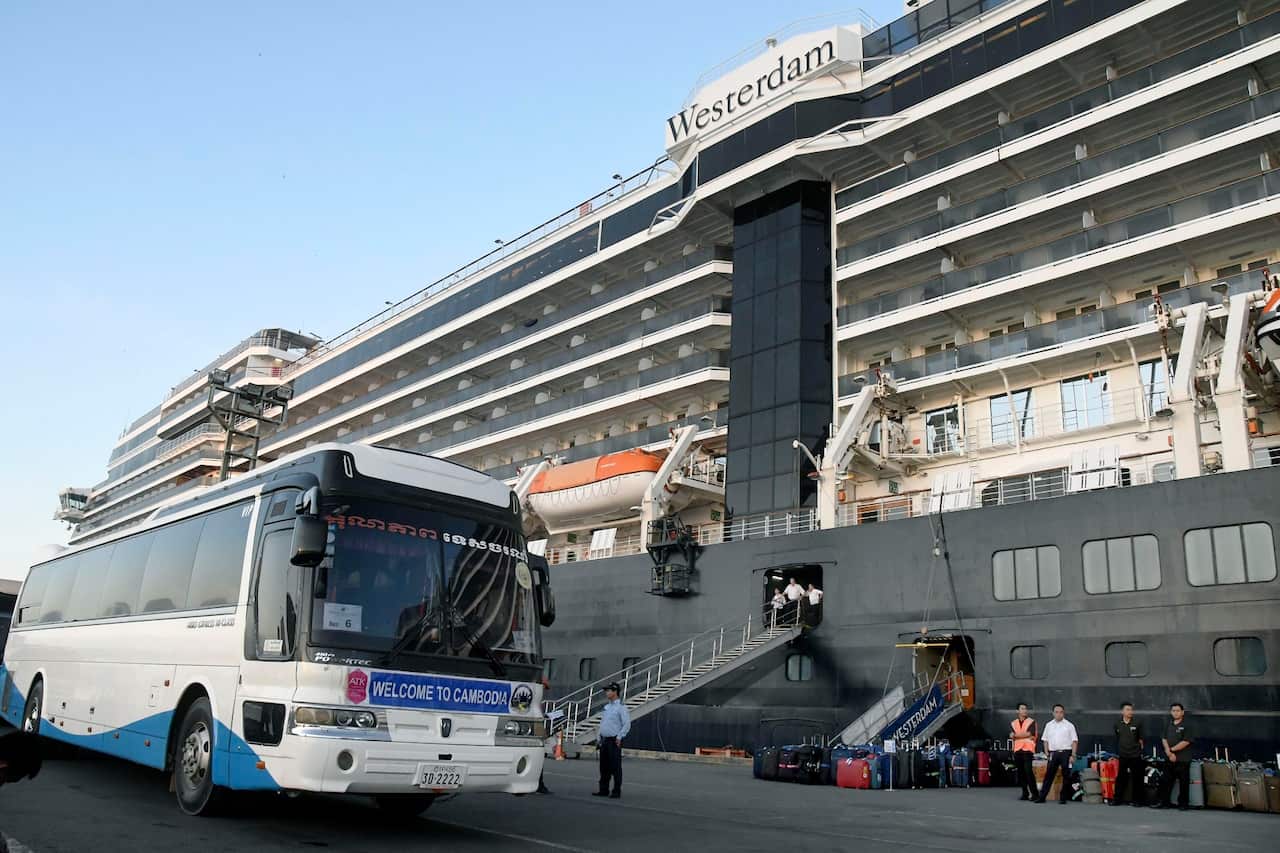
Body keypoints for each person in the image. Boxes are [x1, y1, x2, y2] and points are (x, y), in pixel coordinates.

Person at [1152, 702, 1193, 810]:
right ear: (1171, 712)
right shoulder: (1168, 724)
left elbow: (1186, 741)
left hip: (1183, 759)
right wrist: (1169, 753)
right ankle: (1164, 802)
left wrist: (1172, 750)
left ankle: (1183, 804)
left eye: (1178, 711)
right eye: (1173, 711)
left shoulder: (1187, 725)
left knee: (1184, 783)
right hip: (1169, 759)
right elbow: (1163, 738)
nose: (1175, 713)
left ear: (1182, 712)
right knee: (1165, 781)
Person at [593, 681, 630, 799]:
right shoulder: (607, 707)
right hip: (604, 740)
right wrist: (598, 738)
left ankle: (616, 791)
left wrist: (620, 737)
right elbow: (603, 723)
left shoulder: (621, 708)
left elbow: (626, 724)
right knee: (604, 767)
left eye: (608, 691)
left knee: (615, 767)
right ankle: (603, 790)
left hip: (614, 740)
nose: (606, 693)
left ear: (615, 692)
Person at [1036, 703, 1078, 804]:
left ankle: (1063, 798)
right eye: (1056, 712)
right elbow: (1045, 740)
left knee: (1066, 775)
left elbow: (1074, 741)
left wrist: (1073, 755)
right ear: (1053, 713)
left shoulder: (1069, 725)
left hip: (1066, 753)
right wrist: (1046, 752)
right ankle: (1042, 797)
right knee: (1048, 776)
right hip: (1053, 753)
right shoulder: (1049, 725)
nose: (1058, 714)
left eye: (1061, 712)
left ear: (1063, 713)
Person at [1112, 701, 1144, 807]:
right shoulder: (1117, 723)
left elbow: (1141, 739)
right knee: (1121, 777)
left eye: (1131, 710)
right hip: (1123, 755)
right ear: (1122, 711)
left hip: (1135, 755)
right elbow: (1117, 737)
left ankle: (1137, 800)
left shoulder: (1137, 723)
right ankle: (1117, 799)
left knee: (1137, 778)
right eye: (1127, 709)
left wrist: (1139, 751)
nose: (1130, 712)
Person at [1010, 702, 1038, 801]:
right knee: (1021, 773)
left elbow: (1029, 734)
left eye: (1025, 709)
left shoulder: (1031, 722)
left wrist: (1016, 736)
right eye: (1022, 709)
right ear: (1017, 711)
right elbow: (1012, 735)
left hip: (1027, 749)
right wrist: (1022, 735)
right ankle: (1025, 793)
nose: (1025, 710)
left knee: (1028, 771)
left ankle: (1035, 794)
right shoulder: (1014, 723)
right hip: (1018, 750)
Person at [537, 675, 552, 794]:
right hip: (535, 734)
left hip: (537, 732)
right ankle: (539, 785)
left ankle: (539, 784)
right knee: (538, 758)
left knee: (539, 759)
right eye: (543, 687)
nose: (544, 690)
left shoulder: (538, 702)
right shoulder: (535, 701)